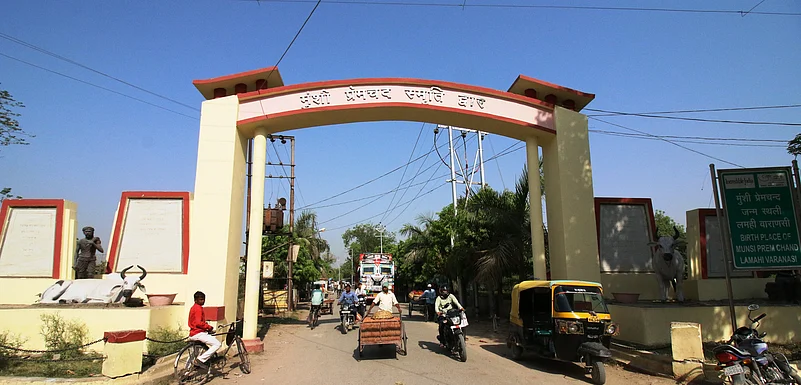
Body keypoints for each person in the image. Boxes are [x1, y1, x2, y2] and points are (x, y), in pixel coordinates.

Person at [188, 291, 221, 369]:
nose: (202, 301)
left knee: (194, 354)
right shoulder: (198, 308)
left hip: (193, 333)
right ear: (195, 300)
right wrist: (209, 327)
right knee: (217, 344)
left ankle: (186, 372)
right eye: (200, 299)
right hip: (198, 333)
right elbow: (199, 323)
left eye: (203, 299)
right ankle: (200, 360)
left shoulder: (193, 308)